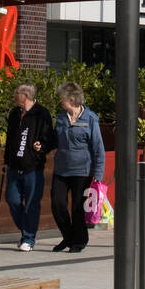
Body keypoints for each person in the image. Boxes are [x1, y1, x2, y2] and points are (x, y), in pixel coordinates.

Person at [50, 81, 106, 253]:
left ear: (72, 99)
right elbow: (54, 139)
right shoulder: (61, 117)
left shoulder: (90, 118)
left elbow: (98, 147)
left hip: (83, 172)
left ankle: (79, 241)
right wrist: (41, 145)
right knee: (57, 204)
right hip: (61, 169)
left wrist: (98, 172)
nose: (61, 101)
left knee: (77, 208)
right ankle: (68, 237)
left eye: (63, 98)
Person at [3, 83, 56, 251]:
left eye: (16, 93)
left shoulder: (41, 113)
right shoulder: (14, 114)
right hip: (13, 165)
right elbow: (9, 139)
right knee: (12, 200)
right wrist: (6, 160)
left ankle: (28, 238)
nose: (14, 96)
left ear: (25, 95)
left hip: (33, 166)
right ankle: (27, 229)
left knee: (32, 203)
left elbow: (51, 137)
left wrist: (43, 146)